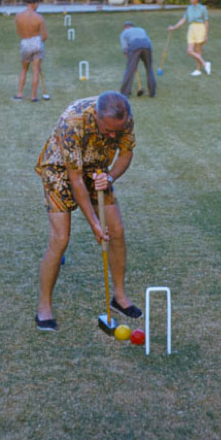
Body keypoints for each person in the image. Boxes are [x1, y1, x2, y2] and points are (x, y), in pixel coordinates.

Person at [34, 91, 142, 332]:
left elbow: (126, 153)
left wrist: (110, 177)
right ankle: (44, 307)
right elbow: (76, 179)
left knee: (117, 230)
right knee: (60, 238)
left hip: (96, 167)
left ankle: (120, 298)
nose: (113, 135)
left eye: (118, 130)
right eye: (108, 130)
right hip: (60, 168)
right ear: (97, 116)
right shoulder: (73, 121)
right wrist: (93, 223)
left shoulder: (124, 117)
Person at [13, 0, 48, 102]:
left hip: (25, 42)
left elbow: (19, 32)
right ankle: (33, 96)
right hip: (37, 42)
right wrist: (39, 42)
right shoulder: (39, 17)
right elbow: (45, 36)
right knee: (36, 70)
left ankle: (19, 94)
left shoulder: (18, 16)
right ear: (34, 4)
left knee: (24, 69)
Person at [169, 0, 211, 76]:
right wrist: (174, 27)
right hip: (191, 28)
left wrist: (206, 34)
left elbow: (206, 22)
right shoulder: (189, 8)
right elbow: (183, 20)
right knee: (189, 51)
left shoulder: (203, 8)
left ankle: (198, 70)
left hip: (200, 28)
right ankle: (205, 64)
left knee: (198, 50)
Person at [119, 21, 156, 97]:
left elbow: (125, 49)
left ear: (125, 27)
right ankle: (152, 93)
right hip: (147, 46)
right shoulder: (141, 29)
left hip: (135, 45)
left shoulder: (124, 33)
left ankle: (125, 93)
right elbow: (148, 40)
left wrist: (131, 61)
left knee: (130, 70)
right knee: (149, 69)